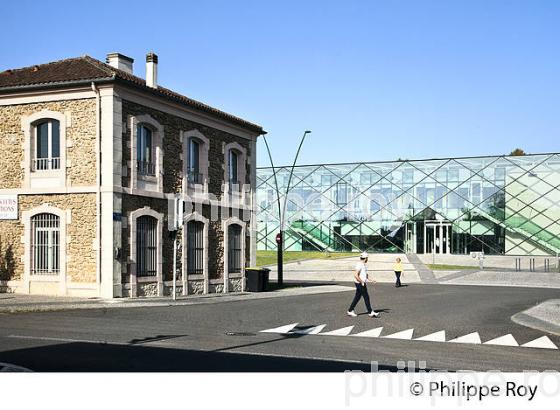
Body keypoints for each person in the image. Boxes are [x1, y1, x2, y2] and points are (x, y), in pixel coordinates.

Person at [347, 252, 379, 317]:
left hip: (360, 283)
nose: (368, 259)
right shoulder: (360, 264)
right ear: (366, 258)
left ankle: (350, 310)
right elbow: (355, 275)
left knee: (357, 297)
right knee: (366, 297)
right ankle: (370, 312)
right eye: (367, 258)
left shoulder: (363, 265)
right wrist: (361, 281)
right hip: (360, 283)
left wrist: (371, 280)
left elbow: (365, 275)